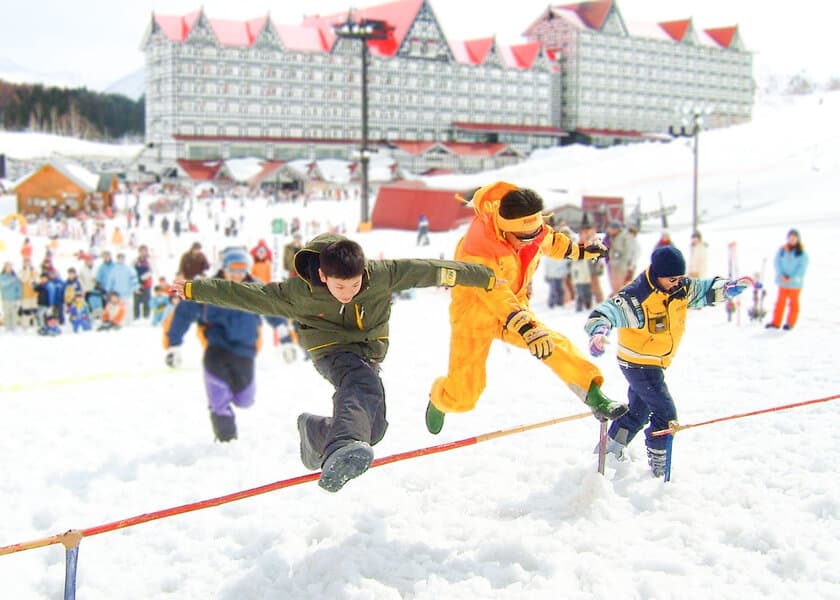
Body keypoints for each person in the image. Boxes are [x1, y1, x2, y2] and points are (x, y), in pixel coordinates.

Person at [172, 233, 498, 492]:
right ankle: (340, 443)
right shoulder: (298, 293)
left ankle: (316, 433)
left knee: (373, 428)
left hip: (368, 352)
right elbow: (243, 294)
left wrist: (484, 277)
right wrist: (193, 289)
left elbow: (431, 270)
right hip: (329, 349)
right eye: (340, 286)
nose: (348, 293)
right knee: (360, 386)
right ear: (324, 275)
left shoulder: (383, 276)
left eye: (355, 285)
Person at [425, 182, 627, 437]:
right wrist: (525, 326)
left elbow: (551, 242)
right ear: (504, 228)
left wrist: (584, 251)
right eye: (523, 238)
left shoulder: (531, 230)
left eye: (534, 234)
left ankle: (593, 395)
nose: (529, 241)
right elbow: (494, 292)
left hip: (515, 310)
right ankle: (440, 398)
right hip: (475, 313)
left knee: (552, 343)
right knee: (465, 395)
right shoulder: (477, 247)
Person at [584, 246, 750, 477]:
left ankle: (609, 452)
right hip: (638, 364)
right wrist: (599, 332)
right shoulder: (638, 297)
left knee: (638, 412)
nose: (677, 283)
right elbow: (606, 312)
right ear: (657, 274)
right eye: (672, 279)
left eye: (680, 278)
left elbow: (704, 290)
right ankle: (660, 463)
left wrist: (728, 287)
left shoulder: (680, 289)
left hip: (654, 363)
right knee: (666, 415)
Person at [164, 247, 284, 443]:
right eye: (233, 269)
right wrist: (173, 345)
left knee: (245, 399)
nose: (237, 275)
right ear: (224, 268)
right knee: (218, 394)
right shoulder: (207, 288)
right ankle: (226, 438)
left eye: (242, 270)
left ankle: (234, 399)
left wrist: (285, 337)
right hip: (216, 348)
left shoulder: (256, 288)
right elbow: (183, 314)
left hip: (245, 351)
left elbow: (274, 310)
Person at [766, 228, 809, 330]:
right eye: (790, 238)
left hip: (795, 283)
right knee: (780, 302)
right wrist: (781, 275)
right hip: (783, 282)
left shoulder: (802, 253)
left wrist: (792, 277)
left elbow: (802, 268)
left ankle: (790, 323)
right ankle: (776, 322)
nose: (792, 240)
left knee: (793, 303)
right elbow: (777, 263)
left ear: (798, 239)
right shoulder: (782, 250)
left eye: (794, 238)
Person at [604, 221, 634, 294]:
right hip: (613, 263)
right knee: (614, 285)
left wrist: (625, 263)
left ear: (616, 229)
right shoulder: (611, 236)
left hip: (621, 265)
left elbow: (628, 251)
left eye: (611, 229)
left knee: (619, 285)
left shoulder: (625, 236)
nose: (609, 231)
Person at [0, 262, 22, 332]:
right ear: (5, 268)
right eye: (7, 267)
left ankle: (14, 327)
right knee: (7, 313)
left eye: (10, 267)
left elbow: (19, 288)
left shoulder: (15, 277)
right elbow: (2, 285)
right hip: (5, 298)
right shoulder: (2, 276)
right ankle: (7, 327)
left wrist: (18, 298)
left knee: (14, 313)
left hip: (14, 299)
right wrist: (11, 280)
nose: (9, 269)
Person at [134, 245, 153, 319]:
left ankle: (146, 315)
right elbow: (132, 270)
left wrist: (143, 278)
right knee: (136, 301)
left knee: (146, 300)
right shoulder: (135, 260)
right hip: (137, 283)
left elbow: (151, 271)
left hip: (147, 283)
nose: (143, 253)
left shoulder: (149, 261)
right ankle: (136, 316)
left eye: (144, 251)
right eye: (141, 251)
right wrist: (137, 280)